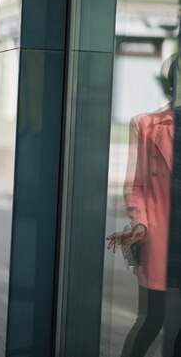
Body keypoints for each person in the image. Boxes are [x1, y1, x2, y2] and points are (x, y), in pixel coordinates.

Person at [106, 54, 177, 357]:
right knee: (151, 321)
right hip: (162, 239)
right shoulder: (147, 125)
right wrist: (140, 223)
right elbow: (136, 186)